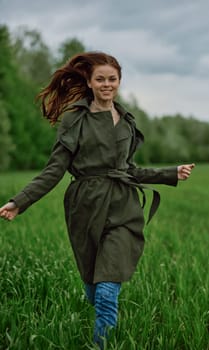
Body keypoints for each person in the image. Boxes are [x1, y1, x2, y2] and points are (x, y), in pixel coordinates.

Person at [0, 52, 195, 349]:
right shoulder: (75, 120)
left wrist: (170, 173)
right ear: (90, 83)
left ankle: (100, 346)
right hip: (85, 207)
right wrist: (19, 202)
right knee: (93, 288)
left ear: (119, 82)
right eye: (100, 79)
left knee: (106, 293)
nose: (107, 84)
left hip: (123, 209)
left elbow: (129, 170)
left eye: (112, 79)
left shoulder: (126, 122)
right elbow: (54, 170)